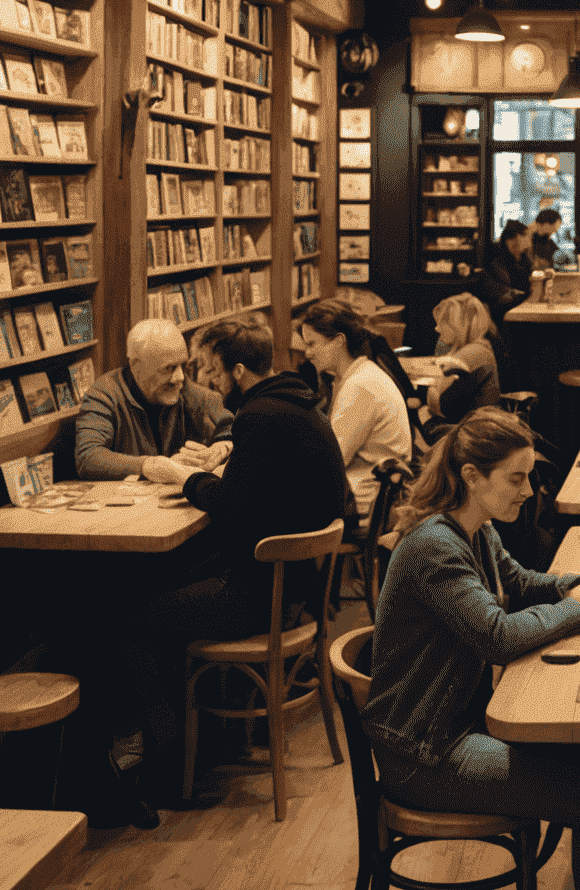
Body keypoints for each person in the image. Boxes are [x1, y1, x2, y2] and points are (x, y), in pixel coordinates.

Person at [363, 410, 580, 890]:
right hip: (425, 750)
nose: (528, 491)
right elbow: (496, 635)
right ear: (471, 476)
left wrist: (578, 587)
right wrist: (579, 614)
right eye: (516, 478)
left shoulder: (474, 528)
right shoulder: (434, 545)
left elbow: (519, 581)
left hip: (458, 724)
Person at [116, 315, 348, 806]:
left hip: (261, 595)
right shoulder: (296, 403)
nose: (205, 380)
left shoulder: (259, 417)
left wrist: (182, 478)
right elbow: (260, 492)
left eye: (210, 370)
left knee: (135, 620)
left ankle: (168, 764)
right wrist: (218, 465)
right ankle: (206, 741)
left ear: (238, 370)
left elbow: (236, 509)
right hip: (295, 586)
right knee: (165, 586)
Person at [75, 318, 231, 480]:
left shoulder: (187, 390)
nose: (179, 377)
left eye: (182, 366)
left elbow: (231, 428)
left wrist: (224, 445)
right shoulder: (104, 395)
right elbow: (88, 457)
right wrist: (150, 466)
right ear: (136, 364)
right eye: (169, 368)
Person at [301, 298, 413, 517]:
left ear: (338, 341)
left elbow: (331, 461)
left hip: (363, 503)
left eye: (312, 343)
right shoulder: (358, 376)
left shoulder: (360, 386)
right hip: (368, 495)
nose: (307, 353)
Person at [430, 292, 511, 417]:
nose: (437, 328)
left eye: (442, 323)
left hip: (472, 430)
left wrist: (431, 393)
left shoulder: (473, 354)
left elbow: (445, 407)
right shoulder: (476, 348)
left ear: (457, 325)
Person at [482, 220, 534, 318]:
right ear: (517, 237)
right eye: (527, 237)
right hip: (505, 316)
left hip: (522, 310)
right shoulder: (495, 261)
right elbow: (501, 299)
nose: (530, 242)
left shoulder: (524, 259)